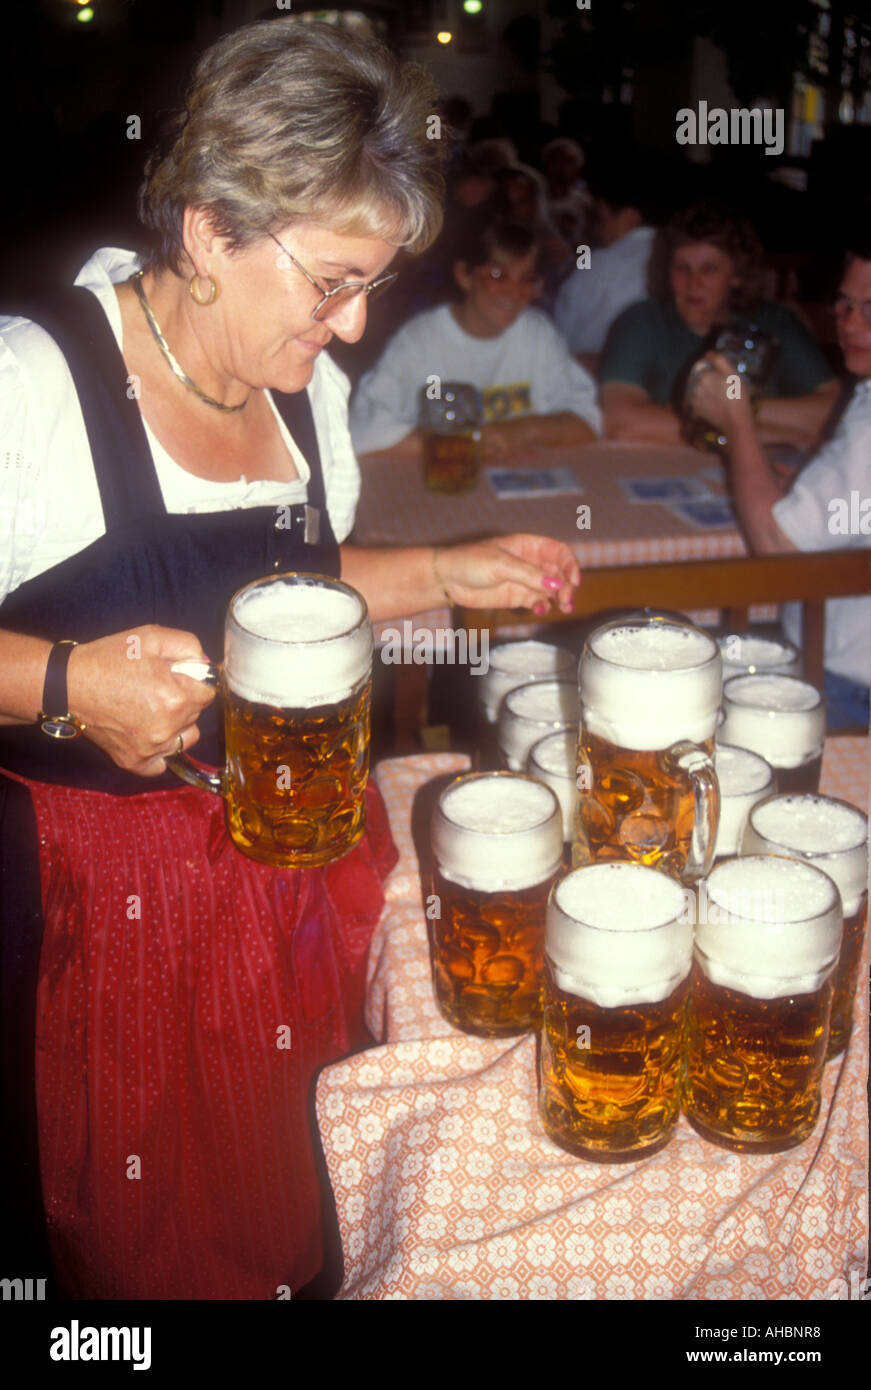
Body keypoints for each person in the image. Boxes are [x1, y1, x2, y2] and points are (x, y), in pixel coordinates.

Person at [0, 20, 581, 1301]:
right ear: (209, 231)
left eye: (372, 282)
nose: (358, 323)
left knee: (301, 1223)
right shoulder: (33, 380)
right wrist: (61, 685)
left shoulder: (303, 391)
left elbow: (290, 602)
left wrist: (443, 572)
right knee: (145, 1265)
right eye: (331, 280)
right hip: (104, 917)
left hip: (294, 877)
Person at [687, 223, 871, 728]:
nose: (849, 323)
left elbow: (777, 545)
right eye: (843, 303)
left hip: (844, 687)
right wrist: (808, 485)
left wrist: (738, 418)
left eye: (870, 308)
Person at [349, 216, 601, 461]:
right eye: (497, 275)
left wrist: (525, 430)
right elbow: (361, 431)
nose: (514, 292)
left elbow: (588, 421)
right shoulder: (419, 341)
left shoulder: (538, 335)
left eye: (527, 280)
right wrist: (469, 442)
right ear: (464, 275)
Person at [599, 202, 840, 451]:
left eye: (709, 269)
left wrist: (726, 407)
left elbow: (833, 412)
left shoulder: (776, 323)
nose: (694, 283)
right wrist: (757, 433)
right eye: (682, 268)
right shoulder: (642, 321)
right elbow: (620, 420)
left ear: (736, 275)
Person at [554, 165, 656, 364]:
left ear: (629, 218)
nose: (599, 231)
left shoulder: (597, 263)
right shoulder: (679, 256)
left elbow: (561, 335)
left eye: (602, 219)